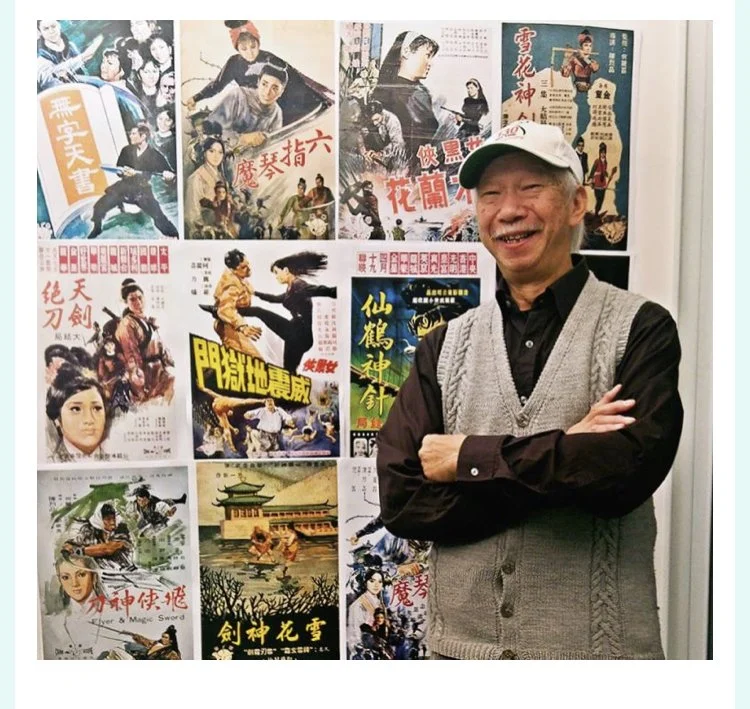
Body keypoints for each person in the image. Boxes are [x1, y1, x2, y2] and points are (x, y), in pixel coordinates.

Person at [376, 120, 683, 660]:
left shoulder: (641, 328)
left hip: (597, 661)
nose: (509, 210)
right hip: (461, 658)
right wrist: (567, 451)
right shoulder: (444, 346)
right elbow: (403, 501)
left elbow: (624, 475)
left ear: (577, 203)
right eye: (491, 195)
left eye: (531, 188)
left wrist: (468, 460)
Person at [185, 21, 332, 127]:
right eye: (244, 49)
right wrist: (197, 97)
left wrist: (318, 97)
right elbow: (217, 85)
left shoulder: (269, 58)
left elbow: (293, 77)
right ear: (237, 49)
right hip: (254, 111)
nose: (250, 52)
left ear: (258, 44)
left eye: (253, 47)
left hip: (281, 104)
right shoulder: (233, 63)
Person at [228, 251, 337, 373]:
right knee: (289, 370)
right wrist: (255, 293)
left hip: (300, 335)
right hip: (295, 336)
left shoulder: (299, 285)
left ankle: (230, 310)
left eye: (276, 272)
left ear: (285, 270)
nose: (276, 277)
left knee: (260, 312)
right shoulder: (290, 289)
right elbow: (275, 298)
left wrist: (336, 291)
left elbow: (319, 290)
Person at [86, 122, 178, 239]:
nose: (130, 136)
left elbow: (170, 175)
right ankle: (97, 228)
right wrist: (123, 172)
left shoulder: (155, 155)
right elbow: (119, 170)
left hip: (142, 190)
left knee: (158, 217)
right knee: (99, 206)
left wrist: (169, 176)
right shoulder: (126, 150)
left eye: (134, 134)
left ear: (143, 136)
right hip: (123, 187)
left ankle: (174, 235)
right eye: (131, 134)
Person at [372, 31, 440, 172]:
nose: (430, 63)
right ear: (407, 52)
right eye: (427, 55)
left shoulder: (422, 93)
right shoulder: (383, 93)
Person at [114, 278, 175, 403]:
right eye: (132, 299)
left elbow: (160, 346)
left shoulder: (147, 321)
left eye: (140, 297)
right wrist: (138, 381)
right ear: (126, 302)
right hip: (146, 375)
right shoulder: (127, 324)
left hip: (160, 371)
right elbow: (131, 355)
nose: (138, 302)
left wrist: (169, 363)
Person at [207, 63, 288, 151]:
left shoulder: (276, 113)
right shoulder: (238, 96)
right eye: (264, 84)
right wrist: (242, 139)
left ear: (281, 92)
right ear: (258, 82)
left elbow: (274, 146)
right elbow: (209, 129)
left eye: (275, 88)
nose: (267, 92)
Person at [204, 249, 263, 358]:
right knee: (254, 361)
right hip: (228, 327)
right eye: (243, 267)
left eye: (248, 264)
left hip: (232, 325)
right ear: (233, 269)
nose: (249, 268)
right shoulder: (232, 285)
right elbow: (225, 310)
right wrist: (243, 327)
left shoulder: (239, 277)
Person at [46, 363, 109, 462]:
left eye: (97, 408)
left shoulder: (120, 463)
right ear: (57, 420)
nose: (89, 420)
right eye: (76, 409)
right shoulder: (50, 464)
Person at [62, 502, 135, 571]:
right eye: (108, 519)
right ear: (99, 519)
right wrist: (68, 547)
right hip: (98, 571)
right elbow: (71, 544)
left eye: (113, 518)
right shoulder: (89, 530)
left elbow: (109, 548)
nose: (112, 522)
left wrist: (79, 551)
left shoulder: (121, 529)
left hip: (124, 570)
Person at [37, 19, 102, 92]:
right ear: (40, 32)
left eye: (53, 26)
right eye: (46, 29)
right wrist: (83, 57)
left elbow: (83, 69)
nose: (51, 31)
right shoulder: (41, 57)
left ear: (59, 25)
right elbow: (49, 80)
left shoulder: (70, 46)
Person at [347, 569, 386, 656]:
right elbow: (354, 633)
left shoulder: (380, 603)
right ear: (365, 583)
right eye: (372, 581)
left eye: (380, 581)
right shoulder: (358, 605)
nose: (376, 585)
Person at [360, 100, 405, 170]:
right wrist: (365, 152)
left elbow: (398, 144)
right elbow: (360, 135)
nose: (374, 123)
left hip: (394, 156)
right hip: (377, 152)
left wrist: (381, 154)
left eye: (377, 119)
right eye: (372, 120)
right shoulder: (367, 118)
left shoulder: (392, 121)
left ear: (382, 113)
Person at [589, 141, 612, 215]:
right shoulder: (597, 161)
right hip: (597, 183)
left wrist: (608, 175)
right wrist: (591, 181)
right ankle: (596, 213)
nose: (603, 154)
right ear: (599, 153)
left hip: (603, 185)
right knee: (598, 200)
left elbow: (604, 171)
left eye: (604, 153)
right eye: (601, 152)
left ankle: (597, 212)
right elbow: (592, 171)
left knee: (601, 200)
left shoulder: (606, 162)